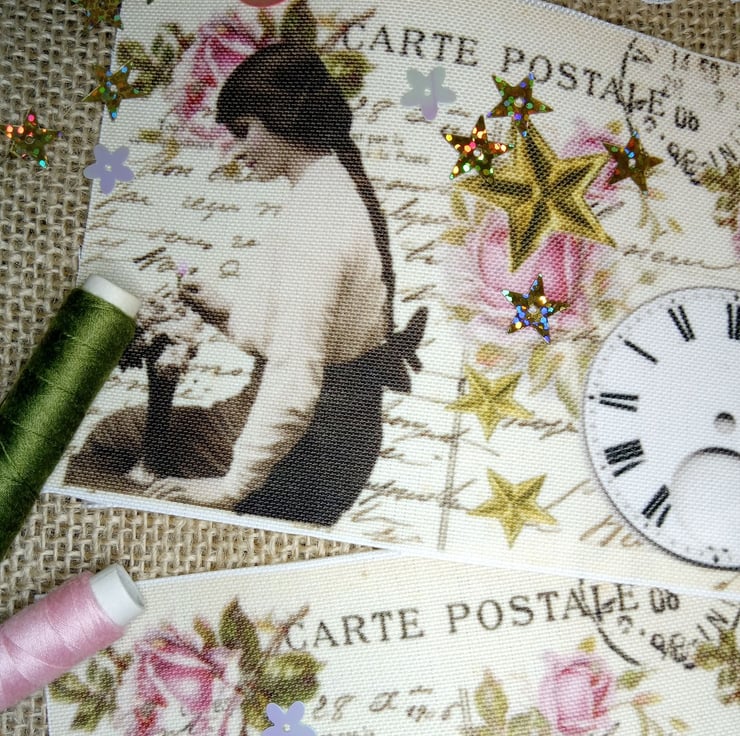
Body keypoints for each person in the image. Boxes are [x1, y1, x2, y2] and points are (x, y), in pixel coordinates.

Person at [67, 42, 426, 526]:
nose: (237, 150)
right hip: (340, 436)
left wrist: (231, 486)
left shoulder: (318, 216)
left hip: (313, 450)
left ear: (284, 118)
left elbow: (297, 375)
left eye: (243, 130)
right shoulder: (333, 187)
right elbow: (320, 339)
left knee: (111, 445)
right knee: (122, 435)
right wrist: (224, 313)